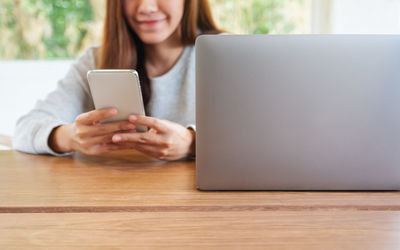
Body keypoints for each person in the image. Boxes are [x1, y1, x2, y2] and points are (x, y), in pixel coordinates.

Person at [13, 0, 221, 160]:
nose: (146, 7)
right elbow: (25, 129)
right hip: (120, 197)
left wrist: (193, 143)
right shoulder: (96, 61)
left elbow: (252, 141)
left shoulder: (225, 55)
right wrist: (70, 137)